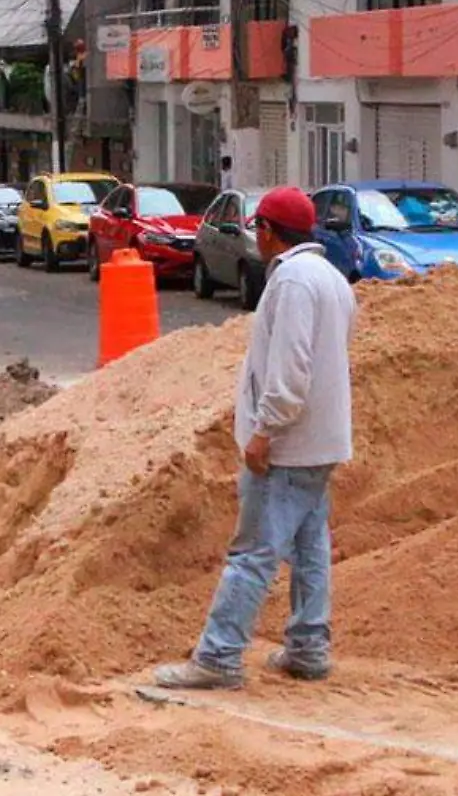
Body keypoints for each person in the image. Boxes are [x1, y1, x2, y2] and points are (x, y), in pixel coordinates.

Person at [154, 187, 356, 690]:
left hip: (289, 444)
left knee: (253, 552)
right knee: (309, 547)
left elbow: (289, 372)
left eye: (256, 229)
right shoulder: (332, 279)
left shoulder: (291, 283)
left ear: (267, 231)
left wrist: (266, 430)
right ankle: (308, 647)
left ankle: (219, 657)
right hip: (321, 441)